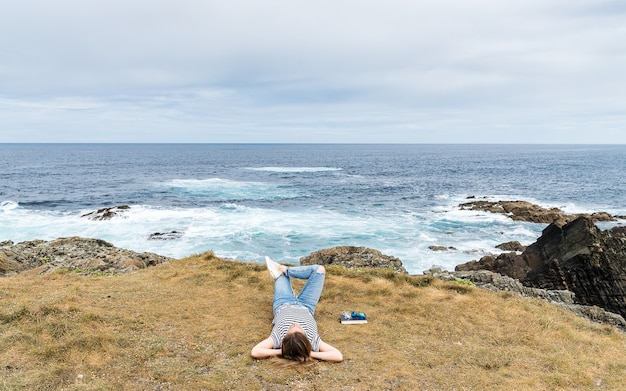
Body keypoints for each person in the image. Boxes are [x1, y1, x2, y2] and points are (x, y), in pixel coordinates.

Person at [251, 257, 343, 363]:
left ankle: (284, 271)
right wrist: (308, 353)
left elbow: (255, 351)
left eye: (291, 328)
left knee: (279, 273)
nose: (295, 324)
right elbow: (338, 356)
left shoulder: (278, 338)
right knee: (319, 270)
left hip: (283, 303)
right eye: (299, 329)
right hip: (307, 305)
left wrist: (283, 352)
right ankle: (285, 270)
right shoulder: (313, 341)